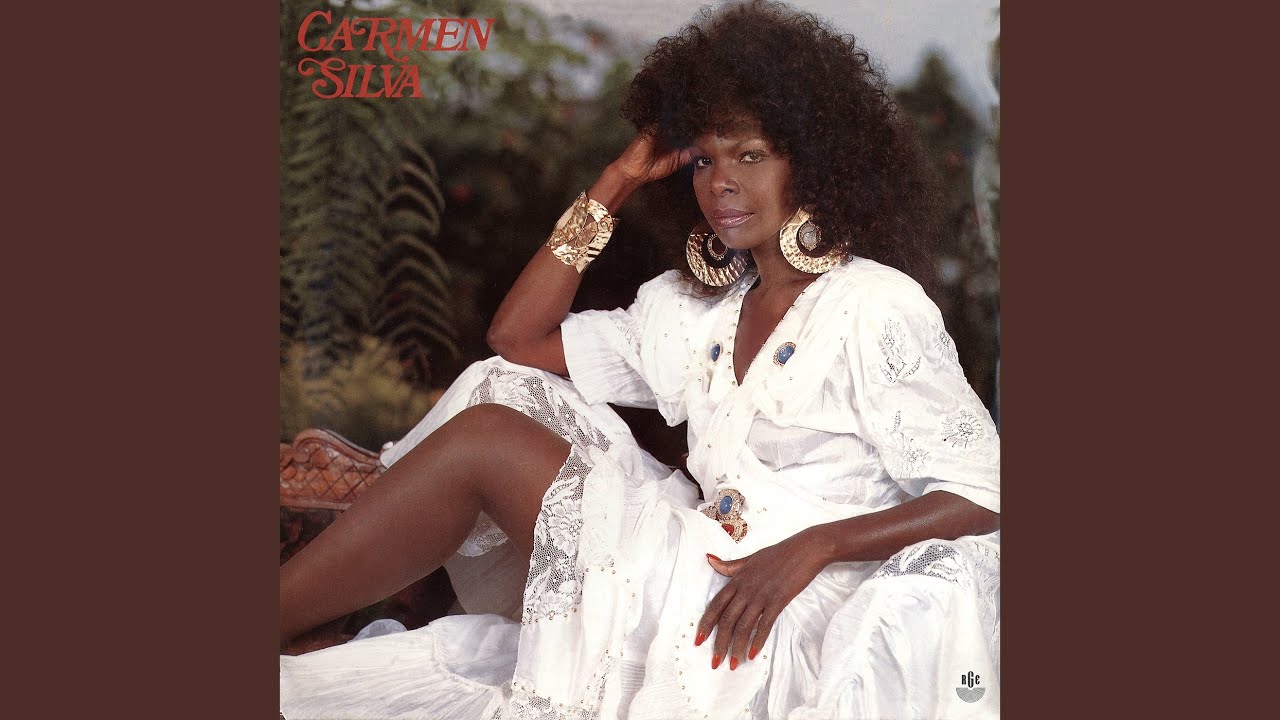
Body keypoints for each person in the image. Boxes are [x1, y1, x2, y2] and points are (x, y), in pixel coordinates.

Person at [279, 2, 1001, 718]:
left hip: (786, 623)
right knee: (498, 395)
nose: (721, 182)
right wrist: (618, 179)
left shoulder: (872, 304)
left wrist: (818, 544)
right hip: (691, 574)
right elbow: (517, 339)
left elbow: (985, 494)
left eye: (750, 156)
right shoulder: (693, 311)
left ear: (812, 167)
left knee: (487, 441)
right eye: (703, 159)